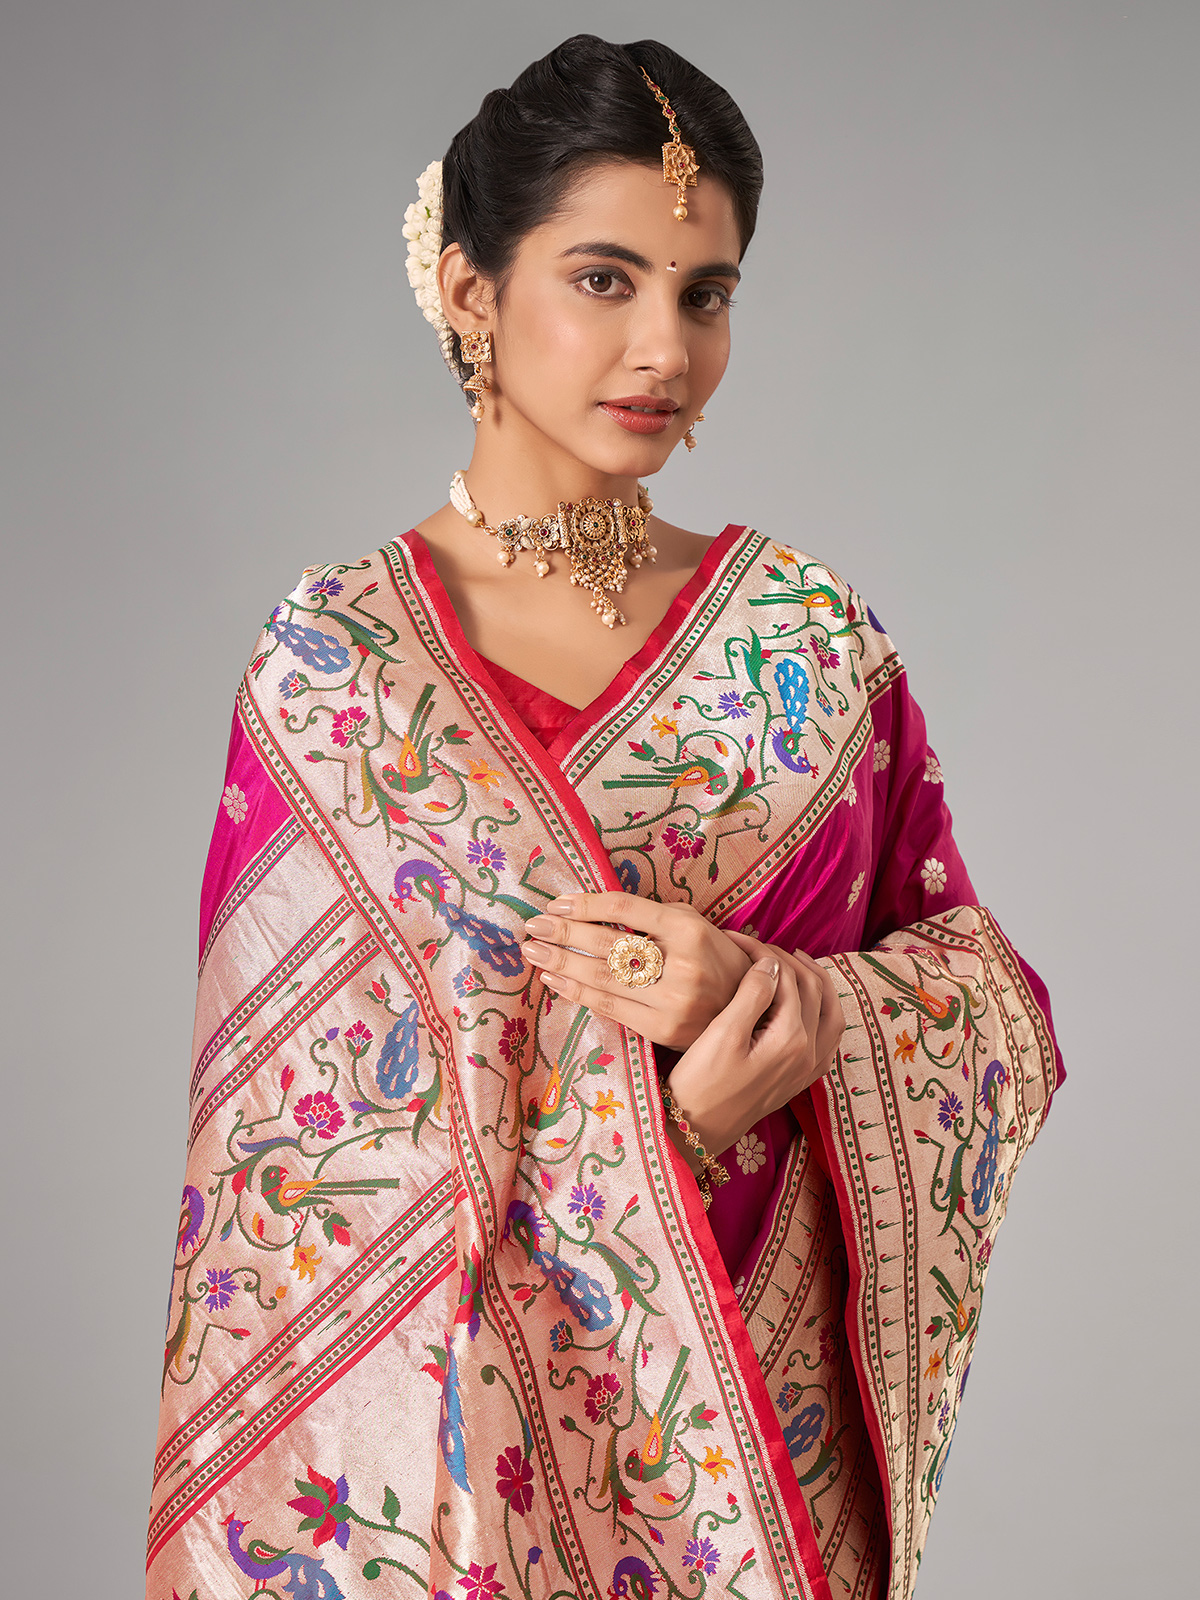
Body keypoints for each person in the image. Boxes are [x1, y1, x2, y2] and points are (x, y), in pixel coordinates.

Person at [148, 35, 1062, 1600]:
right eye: (604, 280)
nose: (664, 348)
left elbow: (993, 1013)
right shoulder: (340, 666)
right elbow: (295, 1202)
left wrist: (798, 1006)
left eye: (705, 294)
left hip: (774, 1464)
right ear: (469, 289)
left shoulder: (806, 640)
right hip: (465, 1502)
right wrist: (661, 1131)